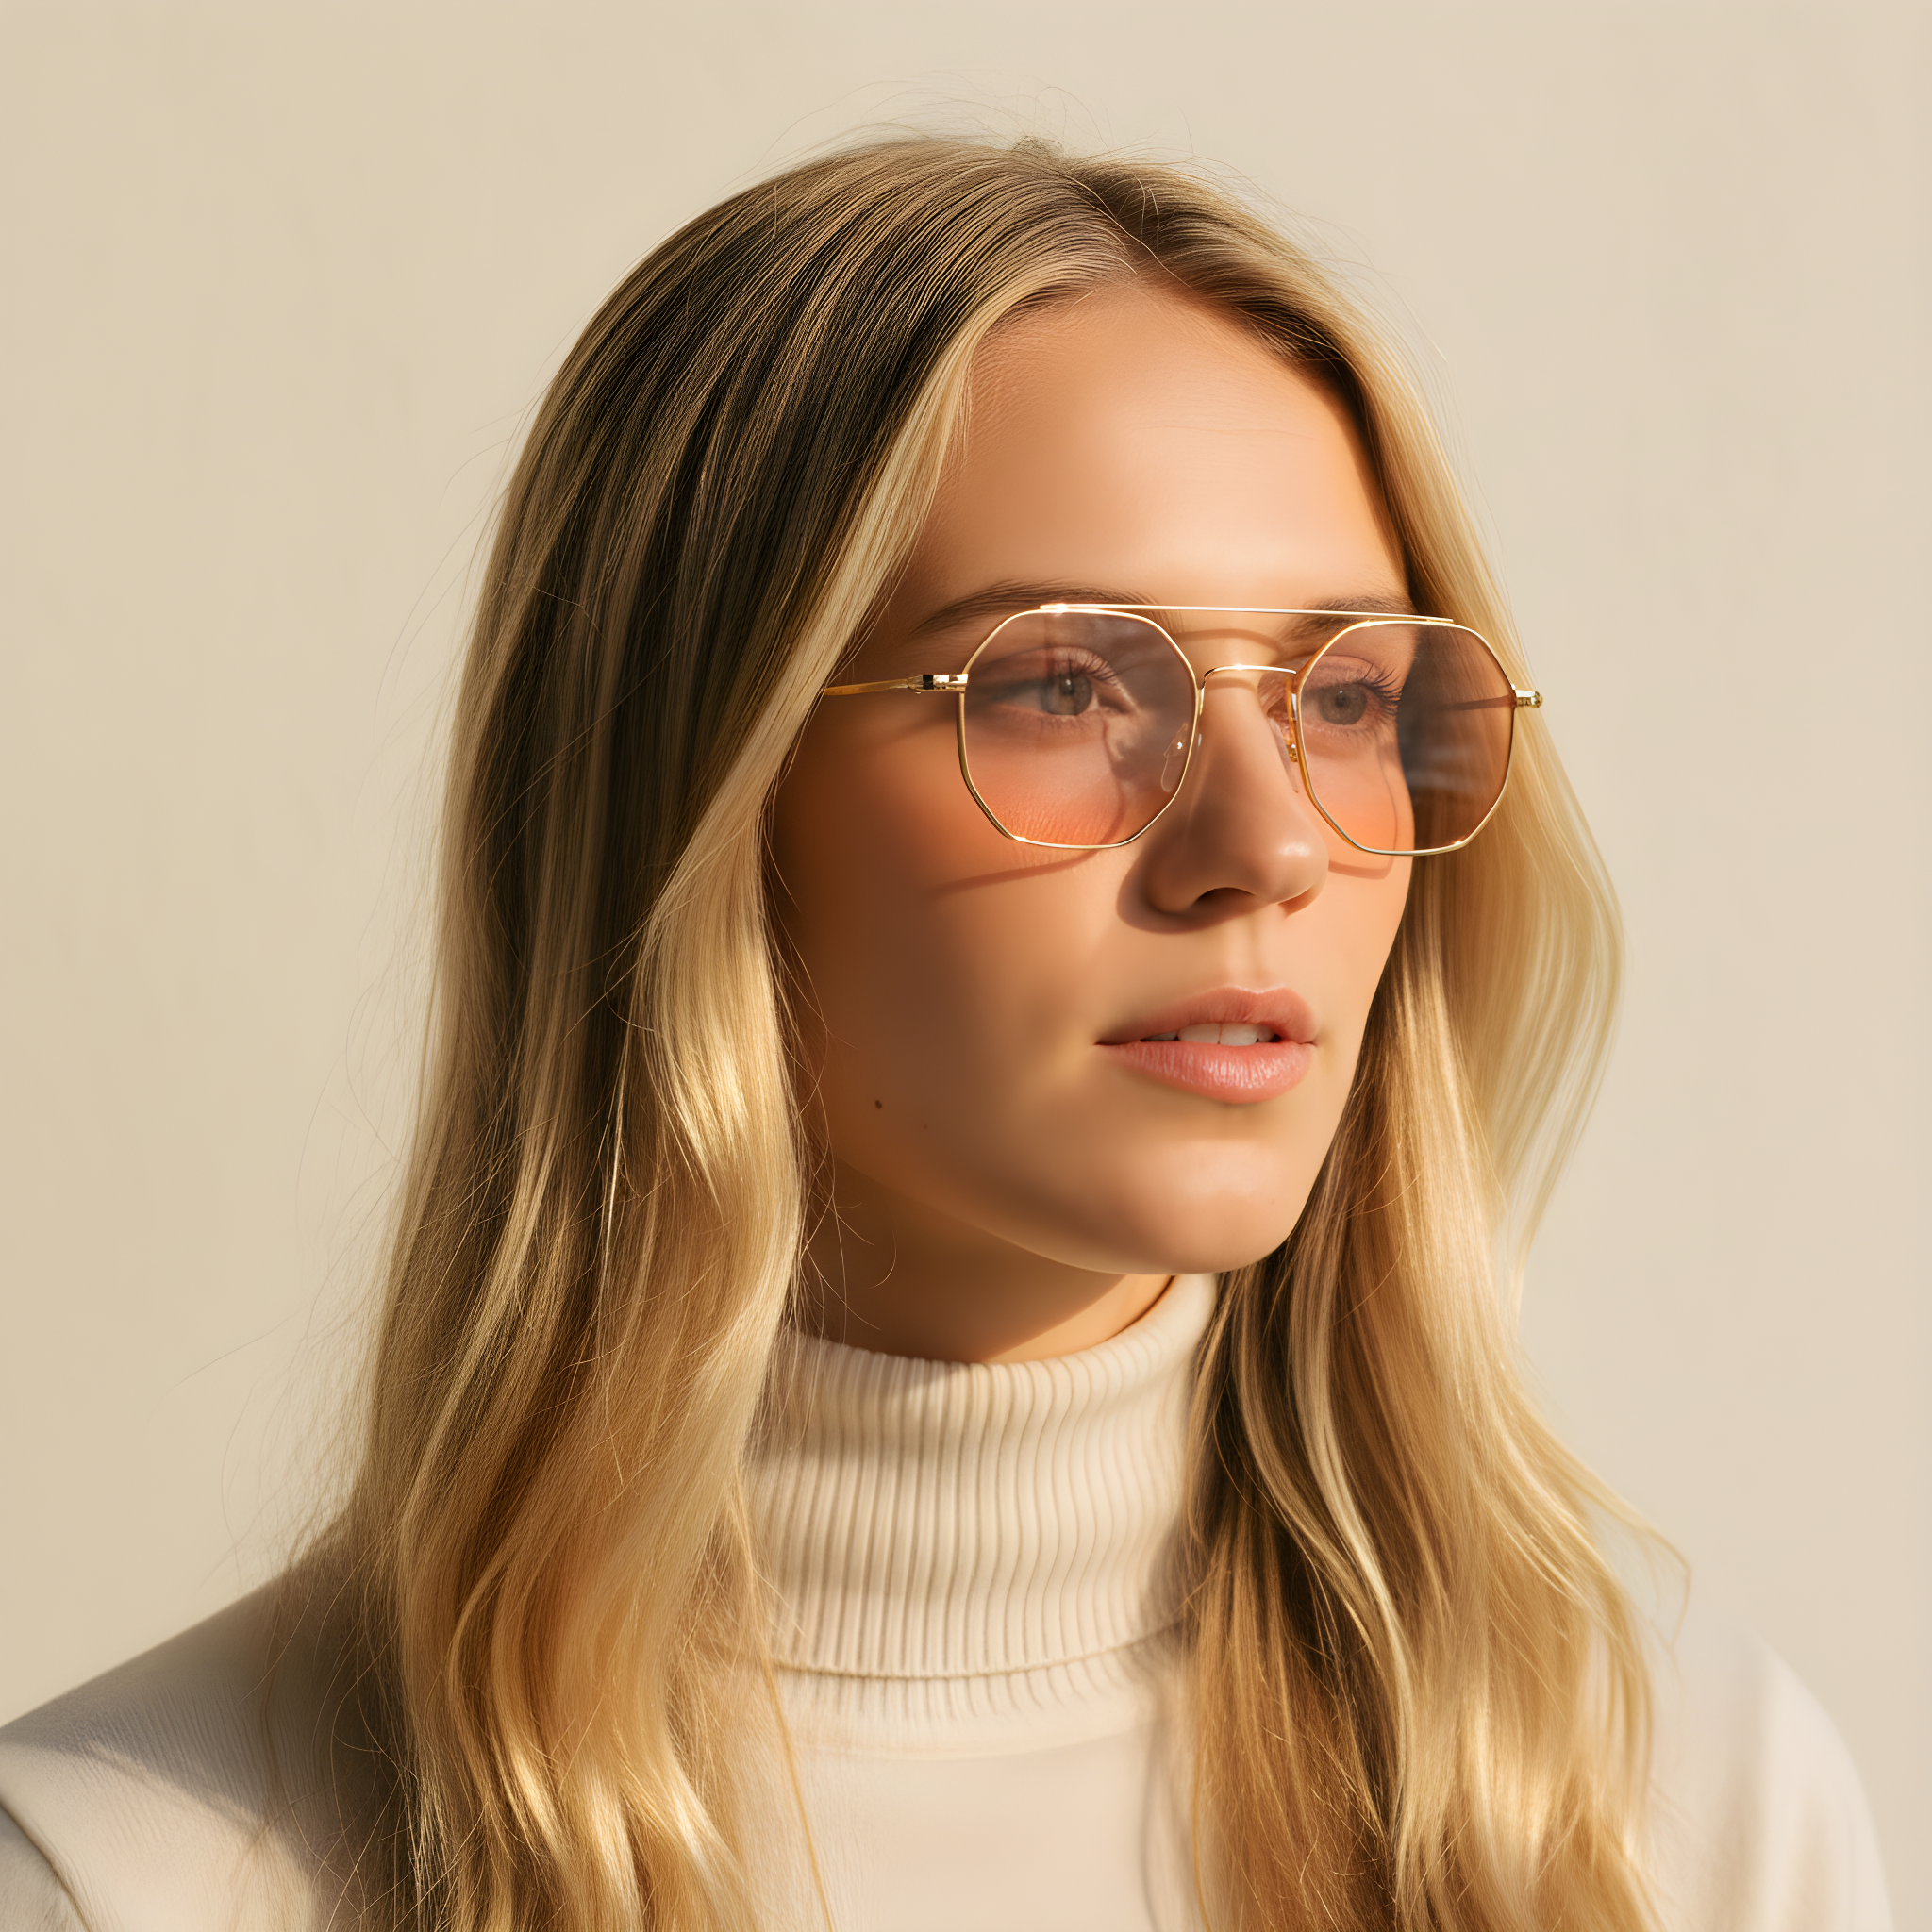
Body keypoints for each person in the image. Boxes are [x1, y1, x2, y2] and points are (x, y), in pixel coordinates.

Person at [0, 135, 1892, 1932]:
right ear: (705, 791)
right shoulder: (136, 1872)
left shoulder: (1667, 1823)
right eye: (1065, 680)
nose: (1270, 845)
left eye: (1347, 695)